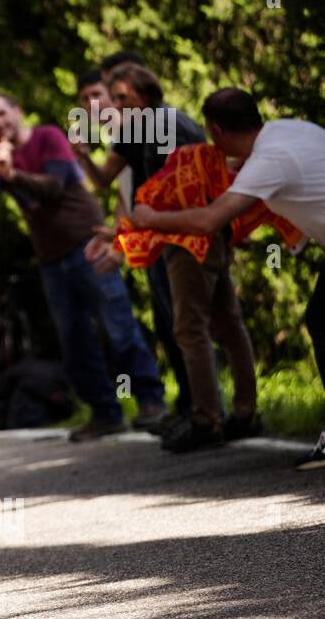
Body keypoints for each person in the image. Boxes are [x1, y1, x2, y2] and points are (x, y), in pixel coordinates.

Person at [132, 89, 325, 467]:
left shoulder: (267, 162)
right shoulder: (288, 130)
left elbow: (208, 220)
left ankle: (211, 416)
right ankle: (243, 410)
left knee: (320, 320)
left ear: (216, 131)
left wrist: (150, 218)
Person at [0, 91, 167, 440]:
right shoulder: (0, 158)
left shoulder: (47, 137)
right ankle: (106, 412)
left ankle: (152, 401)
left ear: (17, 111)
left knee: (117, 325)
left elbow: (54, 187)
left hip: (86, 242)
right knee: (74, 339)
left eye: (2, 113)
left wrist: (11, 173)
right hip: (50, 258)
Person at [70, 62, 207, 427]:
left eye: (116, 96)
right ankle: (194, 410)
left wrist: (128, 237)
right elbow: (113, 187)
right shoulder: (132, 131)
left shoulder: (168, 123)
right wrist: (82, 154)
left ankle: (214, 414)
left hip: (182, 233)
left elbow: (181, 185)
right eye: (104, 98)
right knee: (173, 325)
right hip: (155, 238)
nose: (109, 105)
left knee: (193, 325)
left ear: (142, 92)